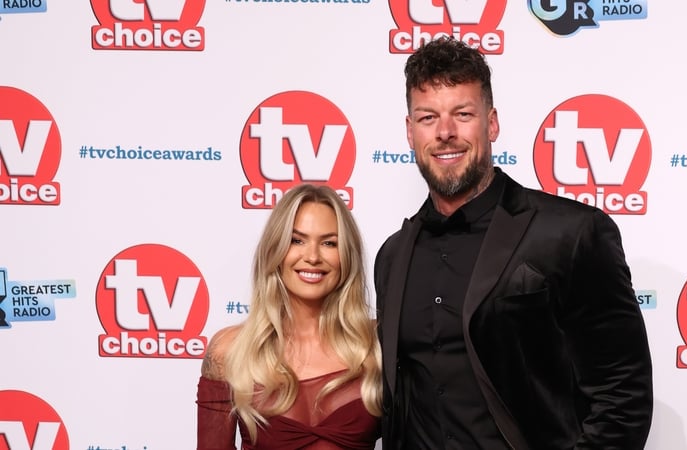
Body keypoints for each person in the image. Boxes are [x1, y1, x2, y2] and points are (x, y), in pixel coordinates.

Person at [374, 36, 654, 449]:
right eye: (428, 117)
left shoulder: (571, 233)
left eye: (462, 114)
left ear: (492, 123)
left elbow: (623, 397)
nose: (445, 132)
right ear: (410, 131)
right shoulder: (393, 256)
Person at [197, 184, 382, 450]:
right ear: (275, 249)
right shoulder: (230, 350)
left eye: (329, 243)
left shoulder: (377, 346)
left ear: (346, 256)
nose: (313, 257)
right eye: (297, 240)